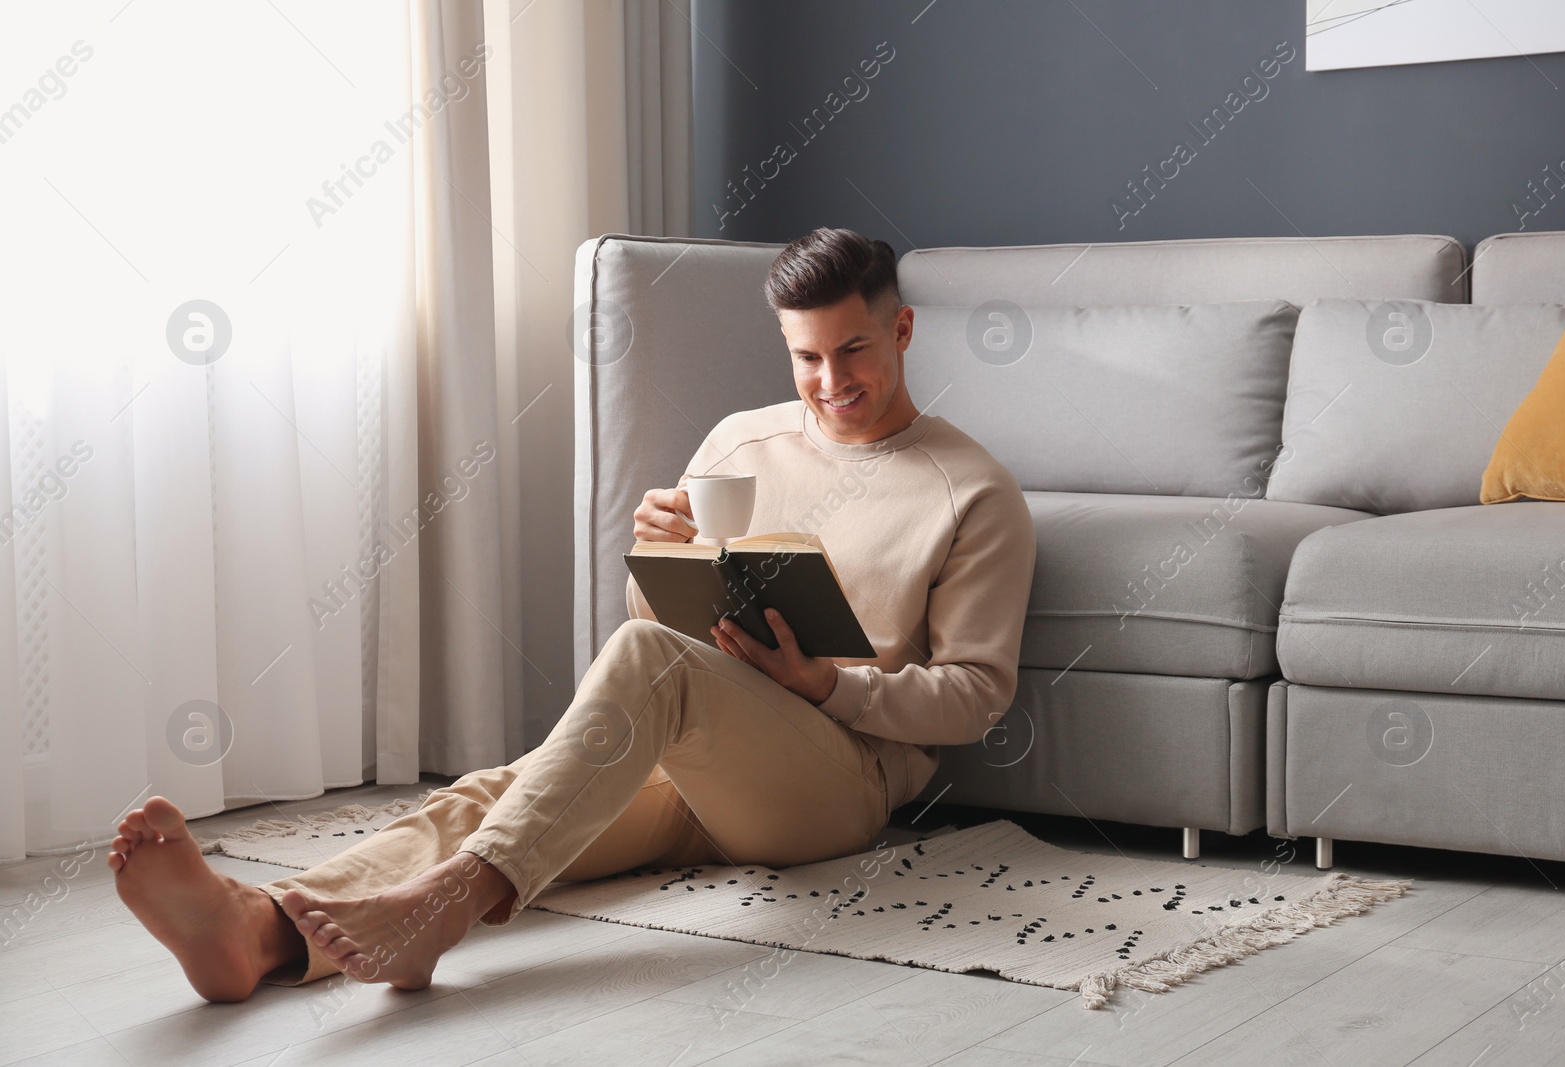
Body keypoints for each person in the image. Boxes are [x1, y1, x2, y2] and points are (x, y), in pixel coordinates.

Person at [107, 226, 1037, 1002]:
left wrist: (827, 683)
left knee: (644, 664)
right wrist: (660, 554)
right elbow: (664, 625)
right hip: (701, 758)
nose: (829, 379)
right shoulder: (741, 441)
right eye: (805, 356)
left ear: (903, 329)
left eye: (853, 350)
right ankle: (256, 933)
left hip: (837, 784)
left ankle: (444, 910)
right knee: (495, 793)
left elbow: (973, 699)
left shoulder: (973, 491)